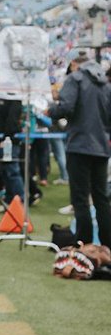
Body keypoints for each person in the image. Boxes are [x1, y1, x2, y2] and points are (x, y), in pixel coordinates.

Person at [49, 57, 111, 246]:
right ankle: (107, 245)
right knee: (101, 199)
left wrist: (51, 110)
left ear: (76, 65)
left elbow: (66, 107)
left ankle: (83, 244)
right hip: (101, 147)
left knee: (80, 198)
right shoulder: (105, 85)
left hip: (79, 145)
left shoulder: (75, 79)